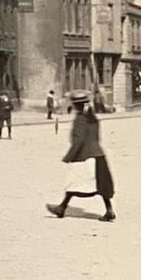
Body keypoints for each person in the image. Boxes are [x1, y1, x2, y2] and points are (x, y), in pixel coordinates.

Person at [47, 90, 116, 222]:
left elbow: (79, 140)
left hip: (85, 156)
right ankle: (109, 210)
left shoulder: (80, 119)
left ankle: (61, 208)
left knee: (74, 183)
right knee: (101, 185)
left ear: (75, 105)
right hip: (98, 154)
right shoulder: (93, 118)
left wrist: (69, 156)